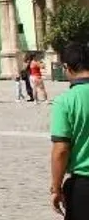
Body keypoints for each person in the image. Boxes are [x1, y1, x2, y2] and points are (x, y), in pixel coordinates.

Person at [50, 42, 89, 217]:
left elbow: (61, 150)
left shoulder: (65, 101)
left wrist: (56, 187)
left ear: (67, 67)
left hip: (84, 185)